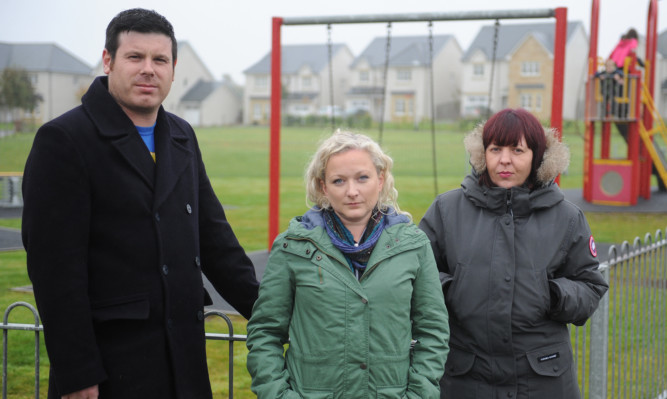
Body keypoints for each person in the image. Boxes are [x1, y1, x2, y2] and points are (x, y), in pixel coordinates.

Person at [21, 8, 259, 399]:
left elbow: (216, 242)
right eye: (135, 57)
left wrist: (273, 319)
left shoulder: (181, 135)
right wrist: (78, 374)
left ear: (173, 68)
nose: (149, 69)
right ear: (109, 61)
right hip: (111, 368)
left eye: (160, 59)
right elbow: (55, 271)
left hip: (183, 359)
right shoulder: (64, 140)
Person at [419, 109, 609, 398]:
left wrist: (553, 295)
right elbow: (419, 274)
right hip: (466, 376)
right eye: (496, 149)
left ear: (537, 156)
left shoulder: (567, 218)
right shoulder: (447, 210)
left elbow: (591, 285)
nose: (504, 160)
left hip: (542, 377)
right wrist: (455, 291)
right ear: (483, 154)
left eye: (517, 150)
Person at [246, 130, 449, 398]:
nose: (352, 191)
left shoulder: (413, 245)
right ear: (323, 187)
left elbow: (432, 331)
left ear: (380, 178)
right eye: (339, 180)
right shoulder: (292, 247)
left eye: (362, 178)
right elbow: (265, 332)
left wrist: (419, 394)